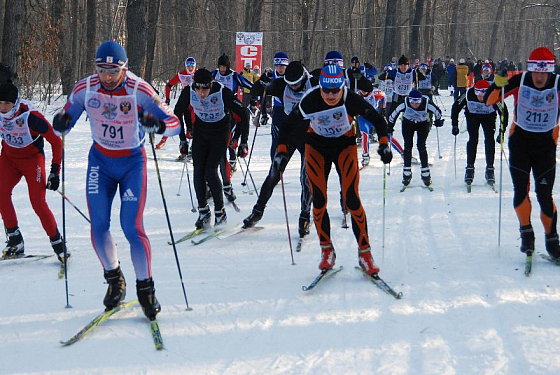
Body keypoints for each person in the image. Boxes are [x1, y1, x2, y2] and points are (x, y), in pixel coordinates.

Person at [52, 41, 181, 320]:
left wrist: (157, 125)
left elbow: (175, 124)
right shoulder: (85, 88)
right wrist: (61, 121)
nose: (107, 77)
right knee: (98, 224)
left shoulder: (139, 89)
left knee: (131, 227)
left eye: (113, 71)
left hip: (132, 162)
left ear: (125, 68)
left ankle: (146, 289)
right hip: (100, 161)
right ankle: (114, 280)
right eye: (102, 70)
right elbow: (68, 114)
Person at [275, 64, 392, 275]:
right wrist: (282, 151)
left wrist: (384, 143)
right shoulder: (310, 100)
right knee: (318, 201)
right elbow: (288, 125)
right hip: (316, 147)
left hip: (344, 146)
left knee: (352, 200)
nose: (330, 95)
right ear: (320, 87)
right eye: (326, 90)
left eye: (335, 90)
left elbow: (377, 119)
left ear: (342, 86)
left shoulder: (350, 99)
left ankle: (365, 253)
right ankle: (327, 251)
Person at [485, 46, 560, 259]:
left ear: (550, 72)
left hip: (545, 146)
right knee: (521, 190)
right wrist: (497, 83)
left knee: (545, 194)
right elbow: (489, 101)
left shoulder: (557, 84)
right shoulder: (520, 80)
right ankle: (526, 233)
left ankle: (552, 239)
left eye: (543, 73)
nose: (539, 77)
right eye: (536, 71)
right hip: (520, 144)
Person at [243, 61, 313, 237]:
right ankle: (257, 211)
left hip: (310, 135)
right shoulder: (282, 84)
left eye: (297, 84)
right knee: (274, 172)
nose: (294, 87)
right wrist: (263, 80)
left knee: (306, 178)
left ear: (304, 77)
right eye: (291, 84)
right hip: (289, 133)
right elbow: (256, 91)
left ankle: (305, 216)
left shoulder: (315, 82)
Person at [0, 79, 68, 261]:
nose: (3, 107)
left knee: (37, 202)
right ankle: (15, 240)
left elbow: (56, 141)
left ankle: (58, 244)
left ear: (15, 103)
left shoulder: (30, 116)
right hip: (9, 159)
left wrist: (55, 171)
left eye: (7, 103)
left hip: (32, 160)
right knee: (1, 193)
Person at [174, 68, 249, 230]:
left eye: (205, 88)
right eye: (198, 88)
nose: (202, 93)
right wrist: (182, 140)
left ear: (211, 85)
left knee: (210, 169)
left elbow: (244, 113)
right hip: (201, 130)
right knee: (198, 169)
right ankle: (203, 212)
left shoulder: (222, 92)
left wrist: (243, 141)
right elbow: (177, 112)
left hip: (220, 132)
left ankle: (220, 213)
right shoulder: (188, 91)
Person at [451, 79, 508, 186]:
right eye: (478, 93)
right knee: (473, 139)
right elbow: (455, 107)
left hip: (489, 118)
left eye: (484, 94)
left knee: (489, 140)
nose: (481, 97)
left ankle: (490, 169)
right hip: (473, 117)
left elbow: (504, 112)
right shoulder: (468, 94)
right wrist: (455, 124)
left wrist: (502, 131)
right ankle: (469, 168)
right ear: (475, 91)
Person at [388, 89, 443, 187]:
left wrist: (438, 121)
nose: (414, 104)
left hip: (423, 124)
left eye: (417, 102)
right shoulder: (404, 103)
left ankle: (425, 173)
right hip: (408, 124)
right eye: (412, 101)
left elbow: (437, 112)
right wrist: (390, 127)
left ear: (421, 100)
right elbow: (393, 114)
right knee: (408, 146)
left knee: (421, 145)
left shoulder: (427, 103)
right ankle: (407, 173)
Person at [251, 52, 290, 161]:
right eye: (277, 66)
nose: (279, 68)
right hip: (279, 110)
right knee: (276, 140)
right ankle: (275, 165)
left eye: (282, 66)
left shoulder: (292, 74)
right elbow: (255, 90)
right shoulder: (272, 75)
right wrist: (263, 80)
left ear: (286, 65)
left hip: (293, 111)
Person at [156, 56, 197, 152]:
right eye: (188, 66)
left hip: (195, 102)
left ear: (195, 66)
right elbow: (169, 85)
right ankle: (164, 140)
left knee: (194, 124)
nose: (190, 68)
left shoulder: (198, 73)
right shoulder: (181, 74)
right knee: (174, 119)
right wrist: (167, 98)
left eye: (192, 66)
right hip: (184, 100)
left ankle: (193, 147)